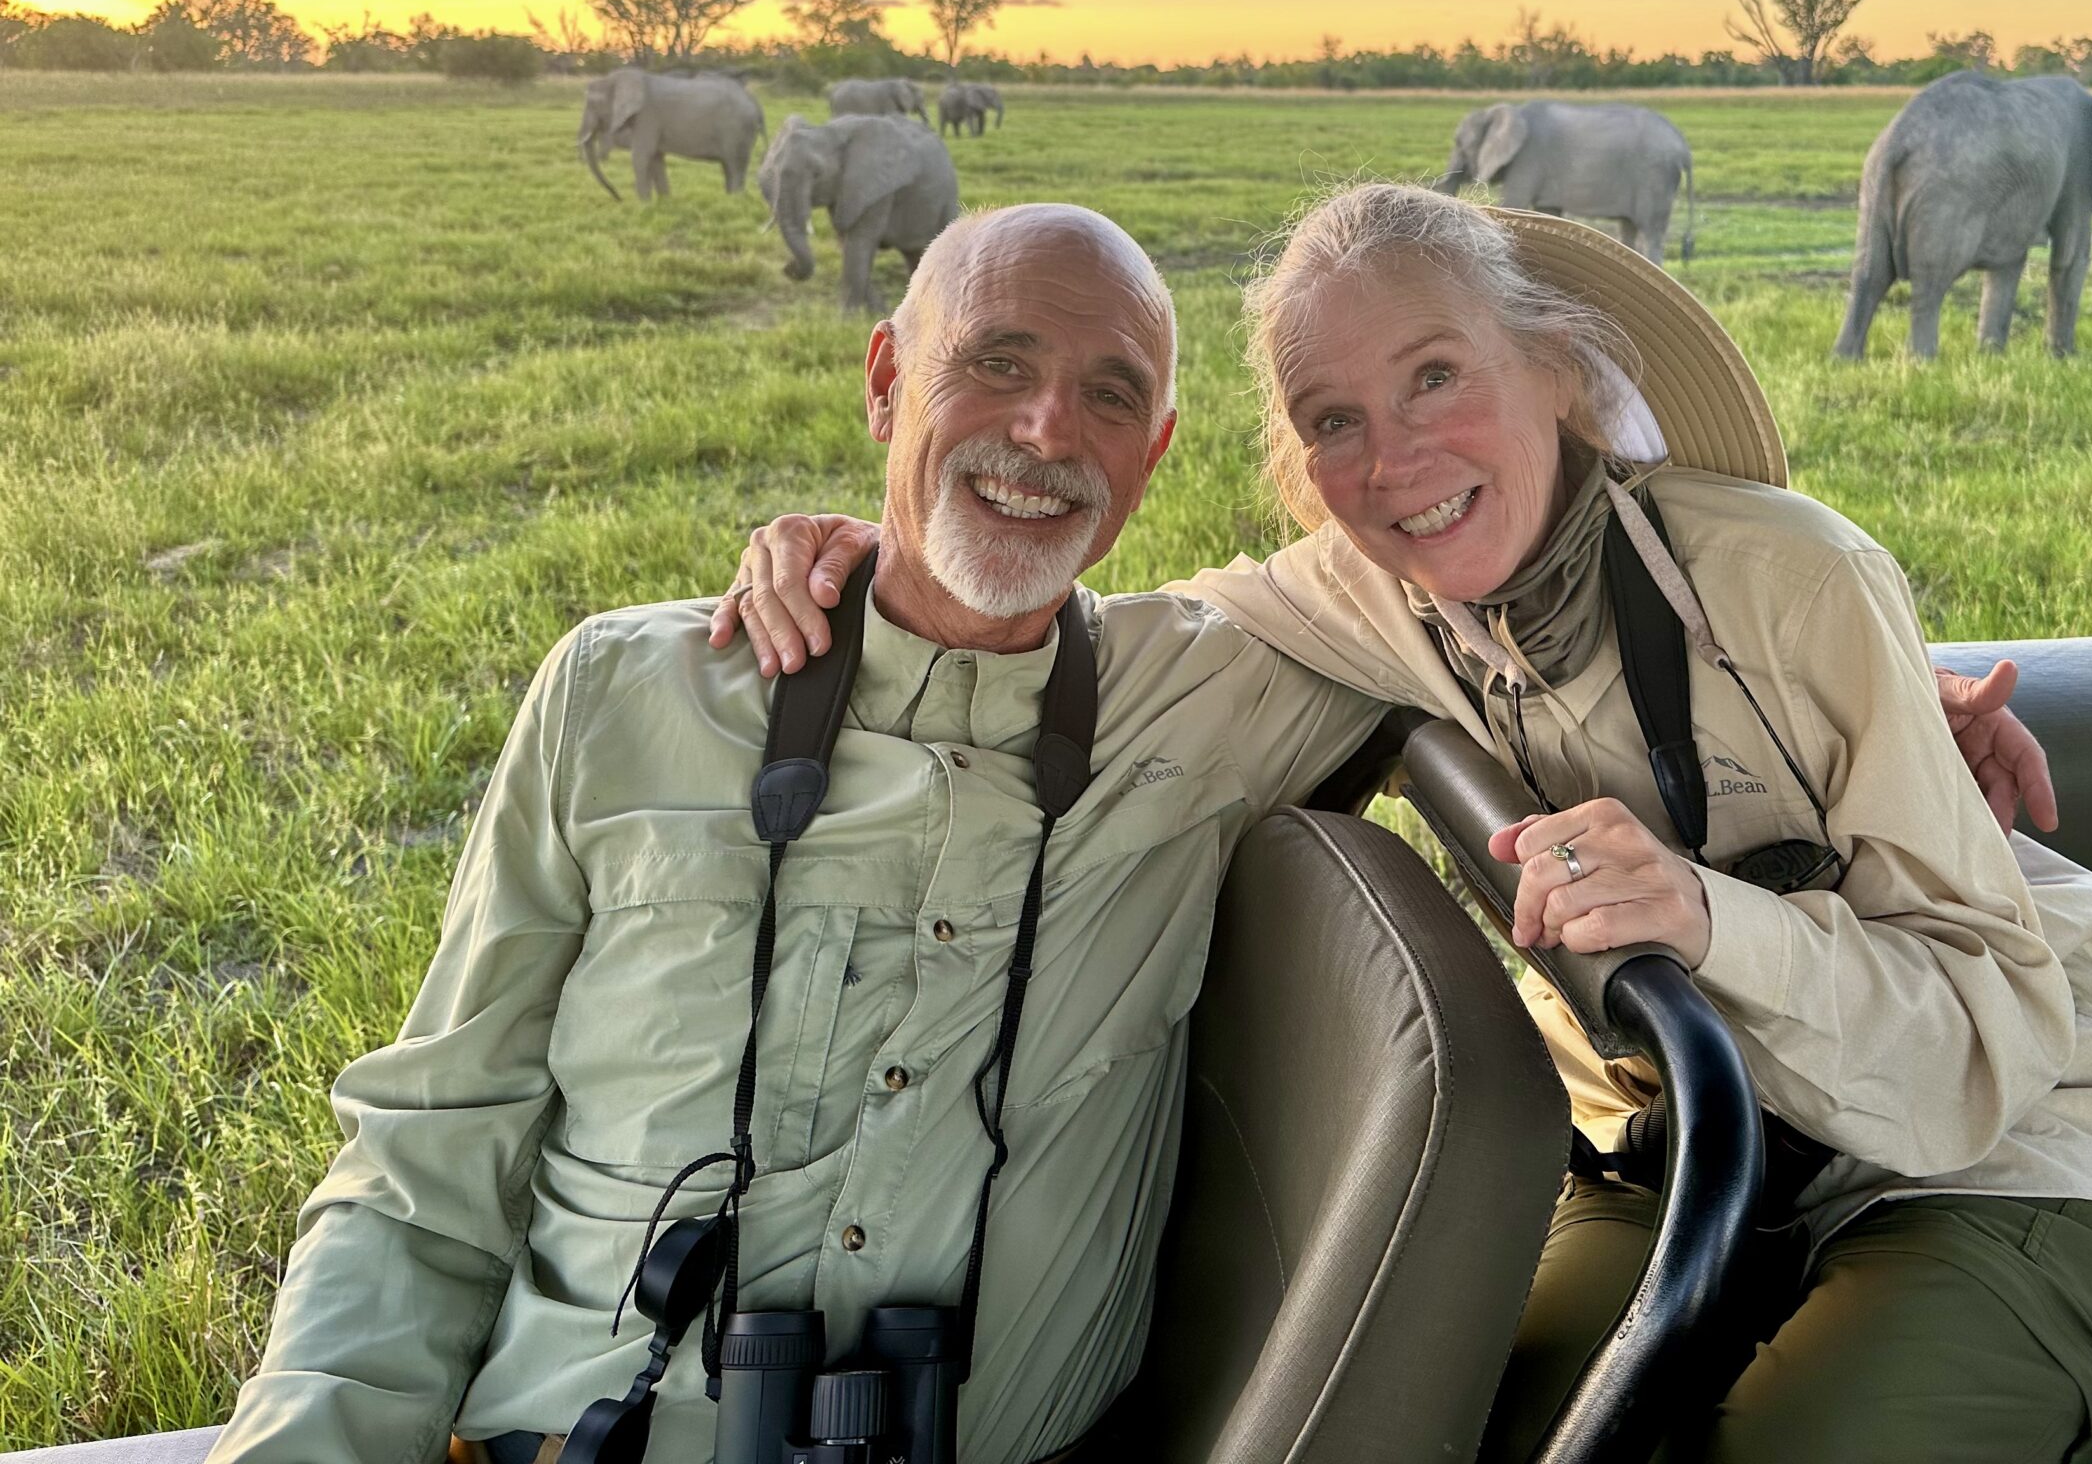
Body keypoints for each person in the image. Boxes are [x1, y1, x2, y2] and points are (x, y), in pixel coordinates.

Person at [721, 185, 2092, 1463]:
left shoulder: (1798, 585)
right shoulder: (1368, 587)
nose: (1397, 460)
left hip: (2036, 1155)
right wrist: (879, 557)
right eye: (1335, 421)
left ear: (1556, 373)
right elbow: (1079, 632)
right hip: (1690, 1144)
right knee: (1479, 1417)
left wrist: (1707, 917)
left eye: (1436, 377)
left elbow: (1996, 1037)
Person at [210, 204, 1387, 1464]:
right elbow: (432, 1147)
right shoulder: (626, 691)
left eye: (1109, 394)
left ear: (1150, 456)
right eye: (995, 363)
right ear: (887, 383)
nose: (1049, 431)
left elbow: (1483, 529)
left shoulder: (1212, 696)